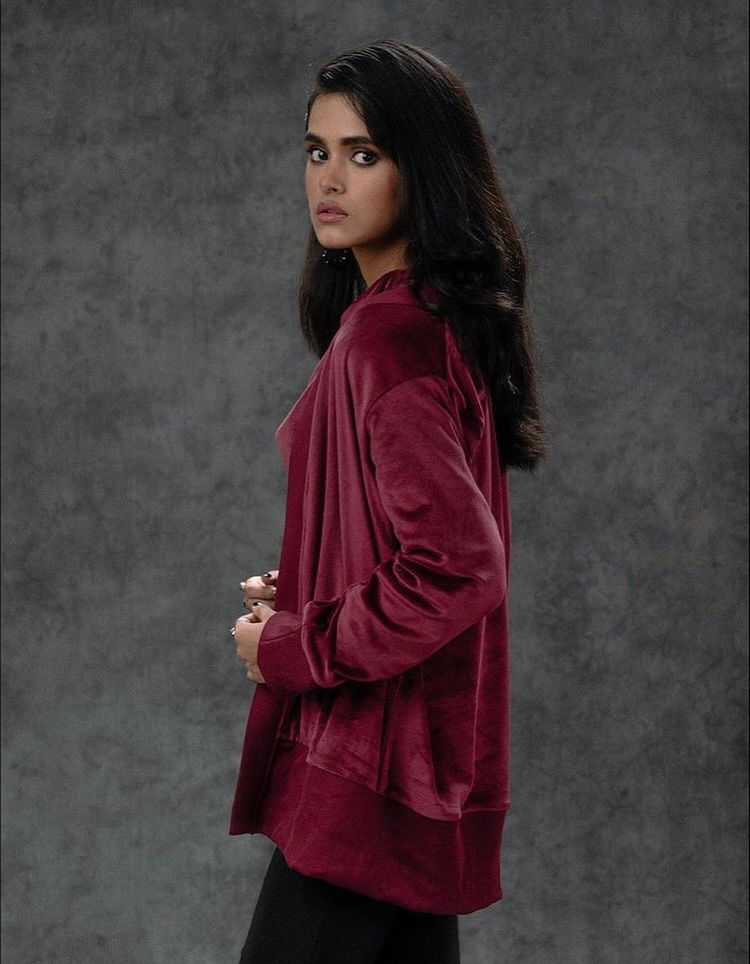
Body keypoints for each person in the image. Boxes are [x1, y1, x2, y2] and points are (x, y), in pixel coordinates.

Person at [228, 39, 545, 964]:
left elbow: (458, 566)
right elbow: (414, 539)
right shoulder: (431, 322)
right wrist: (313, 582)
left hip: (368, 766)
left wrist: (294, 646)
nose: (328, 180)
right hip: (415, 772)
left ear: (424, 170)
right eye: (316, 151)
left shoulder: (386, 337)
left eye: (363, 154)